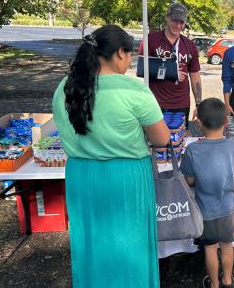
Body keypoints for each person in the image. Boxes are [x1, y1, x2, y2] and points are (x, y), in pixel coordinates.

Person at [52, 25, 170, 287]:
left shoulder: (64, 88)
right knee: (131, 248)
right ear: (119, 53)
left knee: (90, 246)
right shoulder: (134, 91)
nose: (130, 63)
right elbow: (162, 139)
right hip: (125, 179)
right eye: (130, 56)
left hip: (81, 177)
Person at [180, 98, 234, 288]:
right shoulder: (233, 144)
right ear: (226, 122)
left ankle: (214, 284)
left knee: (210, 248)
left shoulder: (192, 149)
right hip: (227, 207)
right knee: (227, 244)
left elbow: (189, 180)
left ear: (198, 122)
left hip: (205, 209)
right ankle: (228, 280)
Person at [139, 2, 202, 125]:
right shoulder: (150, 40)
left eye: (181, 22)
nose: (178, 26)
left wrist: (199, 104)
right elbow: (141, 69)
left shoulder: (190, 45)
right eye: (174, 20)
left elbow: (195, 77)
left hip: (181, 103)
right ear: (166, 17)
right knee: (157, 142)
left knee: (180, 140)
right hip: (155, 103)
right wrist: (171, 72)